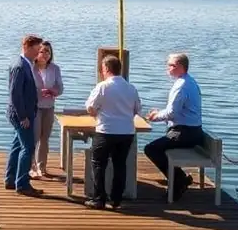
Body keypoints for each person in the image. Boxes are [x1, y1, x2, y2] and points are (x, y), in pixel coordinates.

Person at [83, 54, 142, 210]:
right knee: (120, 164)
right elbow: (137, 110)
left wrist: (96, 113)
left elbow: (90, 107)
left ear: (107, 69)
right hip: (126, 132)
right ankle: (116, 199)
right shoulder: (131, 88)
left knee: (98, 164)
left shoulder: (103, 87)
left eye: (102, 69)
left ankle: (99, 198)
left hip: (106, 131)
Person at [143, 52, 203, 201]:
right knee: (157, 147)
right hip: (193, 131)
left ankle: (179, 180)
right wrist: (160, 113)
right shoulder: (189, 81)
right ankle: (180, 178)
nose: (167, 68)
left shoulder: (181, 86)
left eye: (171, 65)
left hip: (184, 132)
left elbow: (171, 113)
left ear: (181, 67)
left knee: (151, 149)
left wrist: (154, 117)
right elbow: (177, 111)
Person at [4, 34, 44, 196]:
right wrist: (23, 117)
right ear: (27, 47)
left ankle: (10, 179)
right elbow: (15, 95)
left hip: (24, 113)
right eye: (36, 49)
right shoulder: (20, 66)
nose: (39, 53)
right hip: (21, 115)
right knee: (28, 147)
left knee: (17, 146)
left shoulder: (26, 64)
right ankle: (22, 183)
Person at [30, 40, 64, 180]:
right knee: (34, 137)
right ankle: (31, 168)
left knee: (45, 138)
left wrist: (53, 91)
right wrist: (39, 92)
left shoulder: (54, 69)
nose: (45, 54)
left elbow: (60, 87)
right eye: (42, 51)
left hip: (49, 107)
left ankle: (42, 167)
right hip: (35, 107)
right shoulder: (31, 68)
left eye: (48, 52)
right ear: (37, 53)